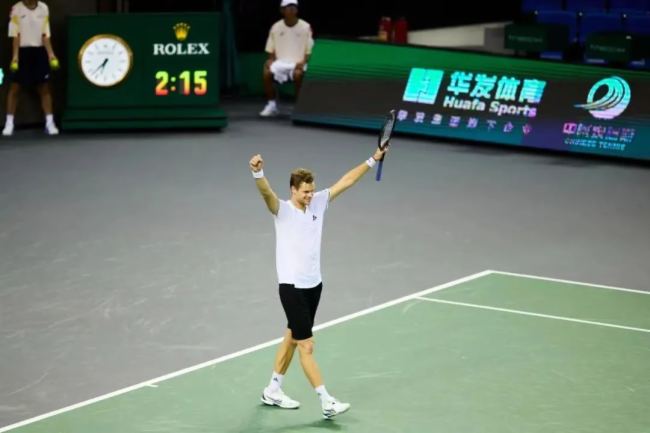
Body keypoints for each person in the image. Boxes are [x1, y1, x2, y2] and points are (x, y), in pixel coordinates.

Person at [249, 143, 388, 419]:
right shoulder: (282, 210)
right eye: (305, 192)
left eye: (312, 190)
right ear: (293, 190)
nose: (310, 195)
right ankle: (326, 401)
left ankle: (273, 389)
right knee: (306, 344)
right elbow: (266, 193)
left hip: (314, 284)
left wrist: (372, 159)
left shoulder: (319, 202)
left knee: (292, 336)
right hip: (291, 287)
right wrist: (258, 173)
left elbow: (347, 181)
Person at [2, 0, 60, 137]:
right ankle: (9, 123)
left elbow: (45, 34)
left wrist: (51, 54)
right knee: (15, 88)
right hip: (22, 52)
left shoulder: (43, 8)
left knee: (44, 88)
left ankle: (49, 123)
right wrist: (15, 57)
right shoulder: (16, 9)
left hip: (39, 52)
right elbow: (15, 35)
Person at [259, 0, 314, 117]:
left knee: (298, 74)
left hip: (299, 64)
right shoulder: (275, 27)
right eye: (288, 7)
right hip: (280, 63)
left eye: (294, 6)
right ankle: (271, 105)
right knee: (266, 71)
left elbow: (309, 50)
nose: (292, 9)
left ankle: (299, 106)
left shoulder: (306, 27)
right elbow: (271, 49)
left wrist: (303, 62)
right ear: (282, 10)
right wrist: (271, 60)